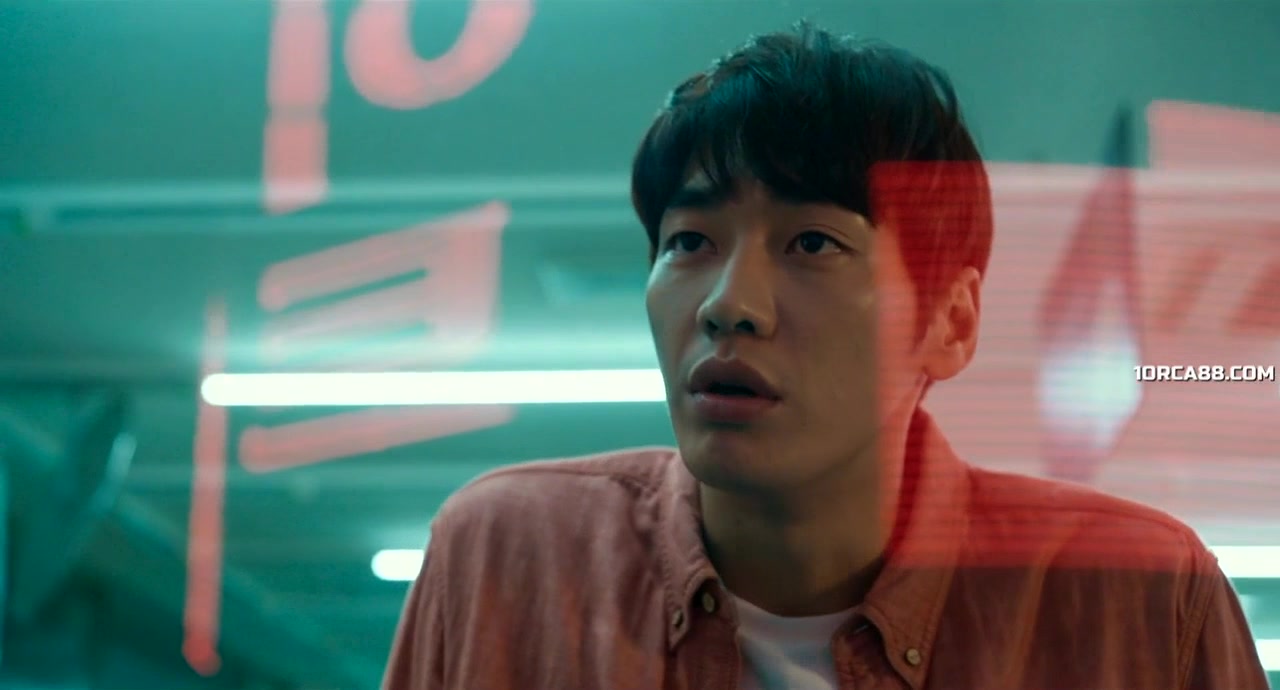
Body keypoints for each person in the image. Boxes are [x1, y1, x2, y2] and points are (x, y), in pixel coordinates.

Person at [382, 23, 1269, 690]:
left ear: (951, 323)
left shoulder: (1136, 601)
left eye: (812, 243)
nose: (729, 304)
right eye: (690, 241)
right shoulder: (508, 557)